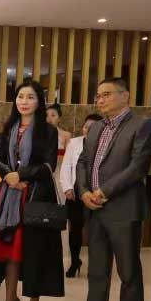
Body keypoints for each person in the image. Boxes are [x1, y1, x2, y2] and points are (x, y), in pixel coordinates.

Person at [0, 80, 62, 301]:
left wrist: (22, 175)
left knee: (33, 254)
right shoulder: (7, 130)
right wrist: (10, 176)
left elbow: (48, 165)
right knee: (9, 253)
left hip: (34, 199)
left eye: (30, 97)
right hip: (8, 197)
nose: (24, 102)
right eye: (20, 97)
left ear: (39, 102)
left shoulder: (48, 132)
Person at [76, 78, 151, 301]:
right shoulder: (96, 127)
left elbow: (138, 167)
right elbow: (83, 162)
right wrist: (84, 191)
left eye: (106, 94)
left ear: (125, 95)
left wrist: (103, 191)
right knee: (97, 272)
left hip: (124, 210)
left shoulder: (142, 125)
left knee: (128, 273)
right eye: (98, 96)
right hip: (95, 210)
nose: (100, 100)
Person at [59, 113, 102, 278]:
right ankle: (75, 261)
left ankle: (96, 265)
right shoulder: (74, 143)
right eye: (85, 127)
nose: (87, 130)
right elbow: (66, 167)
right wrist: (67, 188)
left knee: (95, 231)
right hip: (76, 192)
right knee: (75, 229)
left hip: (97, 192)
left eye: (92, 127)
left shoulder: (106, 144)